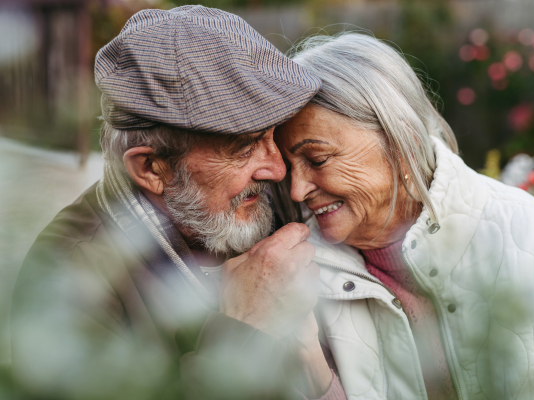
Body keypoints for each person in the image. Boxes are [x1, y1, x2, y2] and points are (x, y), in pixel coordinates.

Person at [10, 6, 342, 400]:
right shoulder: (67, 286)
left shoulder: (253, 204)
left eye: (273, 134)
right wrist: (247, 326)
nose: (276, 168)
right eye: (243, 147)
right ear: (151, 168)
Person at [273, 33, 534, 399]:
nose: (296, 191)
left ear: (401, 141)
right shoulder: (296, 275)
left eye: (317, 159)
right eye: (288, 168)